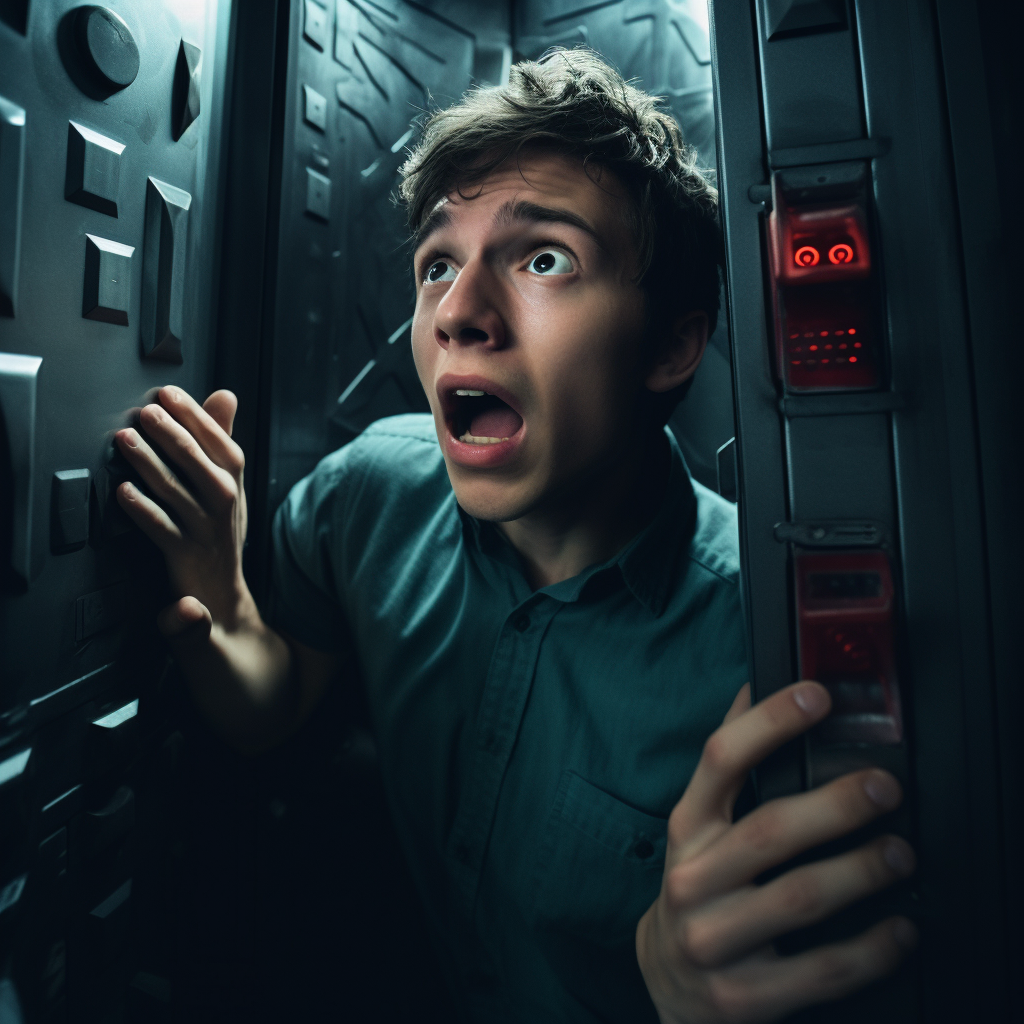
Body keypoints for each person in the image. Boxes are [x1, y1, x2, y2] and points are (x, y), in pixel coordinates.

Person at [113, 49, 917, 1024]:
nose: (457, 311)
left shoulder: (768, 635)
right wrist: (221, 597)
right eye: (438, 264)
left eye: (544, 259)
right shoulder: (367, 493)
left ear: (671, 344)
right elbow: (276, 706)